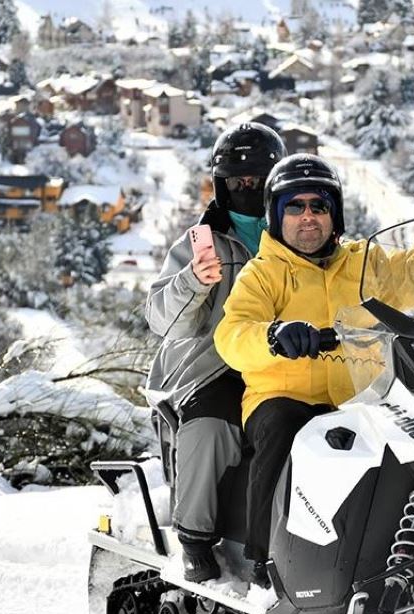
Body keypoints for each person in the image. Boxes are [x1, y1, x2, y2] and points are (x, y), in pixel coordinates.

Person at [214, 148, 414, 585]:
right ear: (276, 214)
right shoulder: (263, 274)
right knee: (286, 427)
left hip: (361, 397)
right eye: (295, 206)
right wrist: (275, 336)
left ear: (335, 214)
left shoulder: (366, 263)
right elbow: (232, 335)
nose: (308, 217)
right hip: (282, 397)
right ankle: (262, 559)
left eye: (319, 205)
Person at [144, 122, 286, 582]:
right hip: (215, 366)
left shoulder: (302, 232)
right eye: (236, 182)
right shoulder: (200, 243)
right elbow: (163, 319)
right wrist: (194, 282)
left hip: (291, 365)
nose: (247, 189)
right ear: (221, 186)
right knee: (209, 429)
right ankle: (195, 539)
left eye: (257, 181)